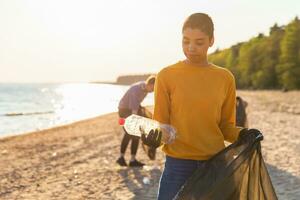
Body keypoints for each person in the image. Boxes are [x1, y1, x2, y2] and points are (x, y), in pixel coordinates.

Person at [141, 13, 262, 199]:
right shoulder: (166, 75)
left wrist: (243, 134)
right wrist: (154, 137)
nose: (191, 48)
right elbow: (162, 126)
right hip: (177, 167)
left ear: (211, 41)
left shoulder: (225, 78)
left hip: (215, 165)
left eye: (199, 42)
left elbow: (225, 127)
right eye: (186, 41)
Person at [116, 75, 156, 167]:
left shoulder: (145, 88)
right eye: (153, 88)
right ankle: (121, 158)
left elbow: (137, 104)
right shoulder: (136, 90)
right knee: (129, 133)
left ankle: (132, 160)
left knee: (136, 134)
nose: (153, 91)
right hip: (124, 110)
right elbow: (133, 108)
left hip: (132, 109)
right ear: (150, 84)